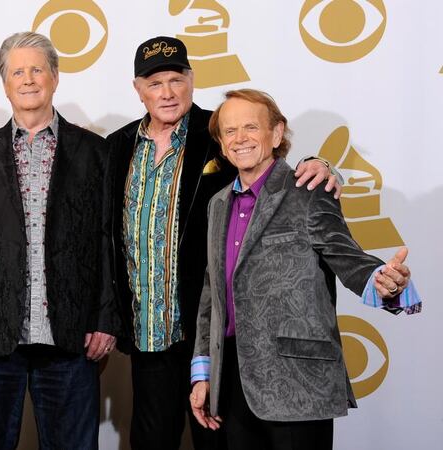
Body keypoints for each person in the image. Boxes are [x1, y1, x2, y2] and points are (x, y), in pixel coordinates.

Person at [105, 36, 342, 450]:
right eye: (155, 82)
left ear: (192, 81)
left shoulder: (222, 130)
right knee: (150, 440)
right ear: (137, 89)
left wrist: (323, 164)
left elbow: (279, 173)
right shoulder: (117, 145)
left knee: (216, 441)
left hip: (215, 330)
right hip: (148, 332)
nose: (167, 92)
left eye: (176, 80)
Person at [189, 88, 422, 450]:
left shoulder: (308, 189)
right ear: (220, 143)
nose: (241, 139)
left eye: (251, 127)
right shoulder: (218, 204)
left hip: (299, 381)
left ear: (277, 133)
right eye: (230, 131)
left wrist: (385, 283)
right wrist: (202, 374)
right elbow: (211, 294)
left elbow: (346, 255)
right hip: (231, 383)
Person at [0, 31, 121, 450]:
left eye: (37, 68)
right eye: (17, 71)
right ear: (4, 84)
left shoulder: (95, 153)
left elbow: (108, 241)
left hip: (70, 335)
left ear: (55, 77)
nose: (28, 79)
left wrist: (105, 318)